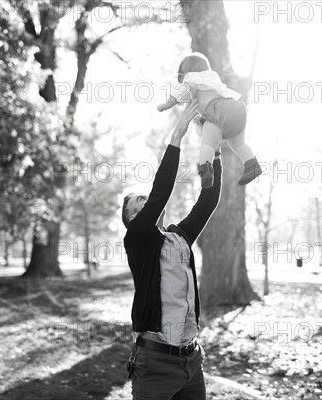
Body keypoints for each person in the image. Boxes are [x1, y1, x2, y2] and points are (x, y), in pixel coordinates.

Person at [122, 100, 221, 399]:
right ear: (131, 221)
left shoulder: (178, 236)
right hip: (155, 365)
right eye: (137, 206)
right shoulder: (137, 241)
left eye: (142, 199)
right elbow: (160, 195)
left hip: (191, 360)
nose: (144, 203)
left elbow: (208, 201)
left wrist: (214, 148)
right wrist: (177, 136)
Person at [158, 52, 261, 188]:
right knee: (238, 144)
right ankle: (252, 164)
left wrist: (167, 104)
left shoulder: (192, 81)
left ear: (186, 74)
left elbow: (182, 92)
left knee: (208, 144)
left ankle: (206, 170)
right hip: (236, 109)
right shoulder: (212, 80)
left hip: (216, 111)